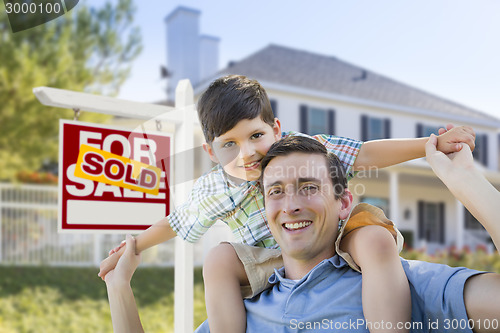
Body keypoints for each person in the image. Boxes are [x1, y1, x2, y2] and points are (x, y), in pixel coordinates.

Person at [99, 75, 476, 333]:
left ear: (276, 129)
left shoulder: (304, 150)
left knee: (373, 239)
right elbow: (177, 222)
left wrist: (429, 146)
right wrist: (133, 245)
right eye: (229, 144)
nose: (247, 153)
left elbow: (364, 153)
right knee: (217, 259)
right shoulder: (214, 188)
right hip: (270, 257)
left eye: (256, 136)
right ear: (210, 152)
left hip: (335, 235)